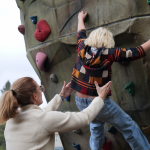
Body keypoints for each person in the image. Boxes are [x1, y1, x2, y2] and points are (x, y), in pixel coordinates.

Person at [71, 11, 150, 150]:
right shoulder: (108, 54)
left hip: (79, 100)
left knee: (96, 126)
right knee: (129, 126)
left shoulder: (82, 47)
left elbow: (81, 33)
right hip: (98, 102)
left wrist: (80, 18)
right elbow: (137, 52)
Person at [0, 77, 111, 150]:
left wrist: (61, 96)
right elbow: (84, 118)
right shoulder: (41, 120)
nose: (41, 91)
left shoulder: (11, 119)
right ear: (34, 95)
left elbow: (41, 115)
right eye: (40, 88)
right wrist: (100, 98)